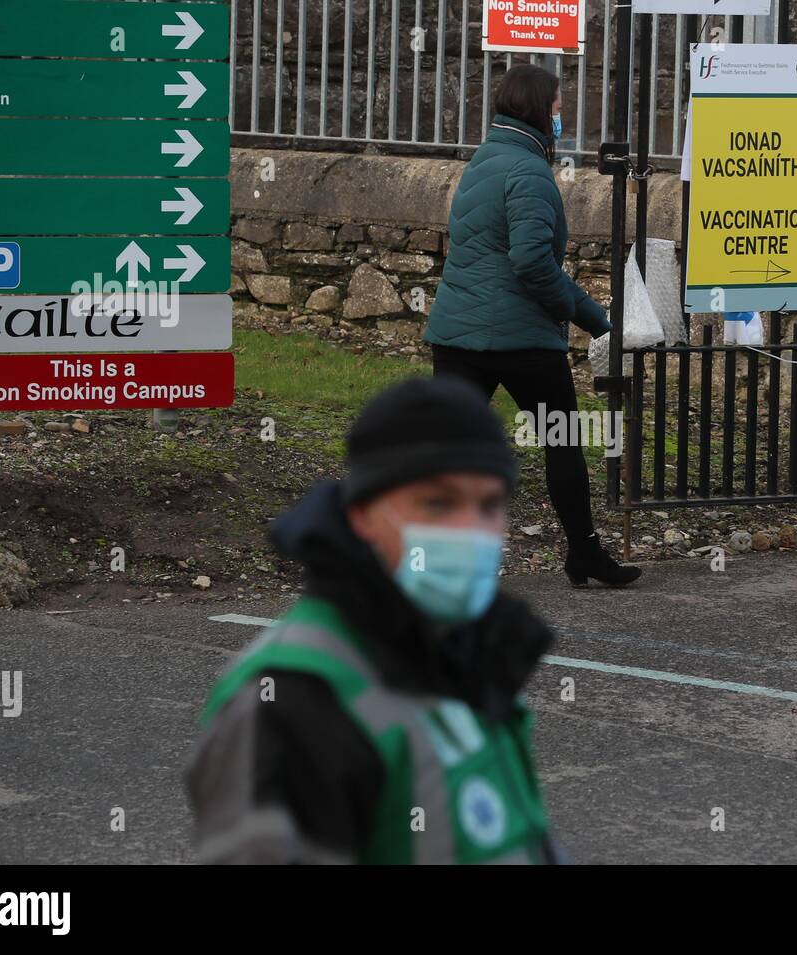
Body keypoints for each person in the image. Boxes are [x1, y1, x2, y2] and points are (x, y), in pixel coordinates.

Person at [185, 377, 566, 864]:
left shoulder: (465, 649)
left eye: (490, 505)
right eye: (437, 503)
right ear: (363, 514)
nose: (472, 530)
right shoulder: (291, 697)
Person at [425, 64, 641, 589]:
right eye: (560, 104)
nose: (563, 113)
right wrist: (591, 317)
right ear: (540, 107)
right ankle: (584, 553)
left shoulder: (484, 159)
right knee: (562, 442)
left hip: (457, 334)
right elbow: (531, 262)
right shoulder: (528, 171)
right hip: (519, 340)